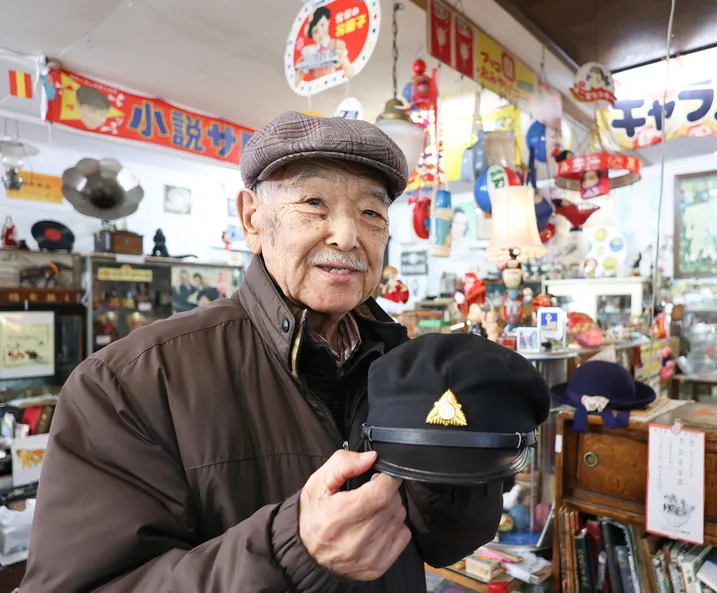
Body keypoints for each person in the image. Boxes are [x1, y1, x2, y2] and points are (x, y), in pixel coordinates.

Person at [21, 112, 503, 592]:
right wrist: (292, 549)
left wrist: (467, 460)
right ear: (253, 219)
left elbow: (446, 543)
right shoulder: (128, 382)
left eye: (371, 213)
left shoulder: (403, 369)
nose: (347, 235)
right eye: (314, 203)